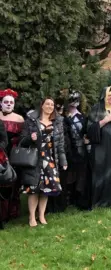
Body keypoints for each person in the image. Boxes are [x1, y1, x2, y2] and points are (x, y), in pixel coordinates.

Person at [20, 98, 67, 227]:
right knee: (34, 189)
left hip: (50, 159)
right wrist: (31, 138)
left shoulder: (57, 122)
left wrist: (63, 160)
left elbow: (60, 144)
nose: (50, 106)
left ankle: (41, 215)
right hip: (35, 158)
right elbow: (22, 140)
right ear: (41, 105)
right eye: (47, 104)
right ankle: (31, 217)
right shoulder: (31, 121)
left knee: (46, 189)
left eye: (52, 105)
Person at [87, 86, 111, 207]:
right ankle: (98, 202)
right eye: (109, 95)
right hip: (100, 149)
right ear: (103, 96)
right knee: (99, 174)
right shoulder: (96, 109)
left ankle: (110, 200)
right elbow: (89, 129)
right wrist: (104, 121)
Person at [0, 89, 23, 224]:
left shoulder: (19, 118)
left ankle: (12, 211)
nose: (8, 104)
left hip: (13, 154)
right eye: (6, 102)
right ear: (1, 103)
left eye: (11, 102)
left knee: (13, 182)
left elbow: (23, 138)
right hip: (1, 153)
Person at [63, 90, 89, 209]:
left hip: (81, 150)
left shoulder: (83, 117)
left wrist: (87, 139)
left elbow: (86, 132)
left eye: (76, 100)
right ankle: (68, 198)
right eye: (71, 100)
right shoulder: (62, 117)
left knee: (80, 174)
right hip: (67, 150)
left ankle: (79, 198)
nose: (73, 103)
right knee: (68, 174)